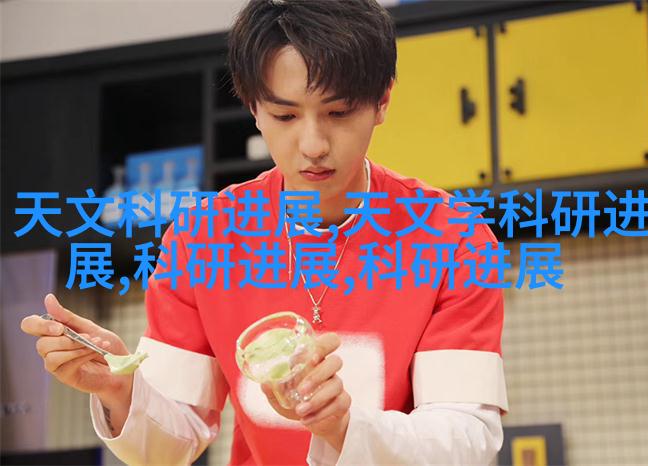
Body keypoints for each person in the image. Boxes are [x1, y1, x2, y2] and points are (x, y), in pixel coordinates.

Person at [21, 0, 509, 464]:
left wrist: (344, 428)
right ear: (253, 107)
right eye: (285, 116)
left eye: (339, 112)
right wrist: (121, 389)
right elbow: (173, 443)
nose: (313, 145)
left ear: (382, 100)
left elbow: (465, 437)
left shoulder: (453, 238)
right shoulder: (204, 238)